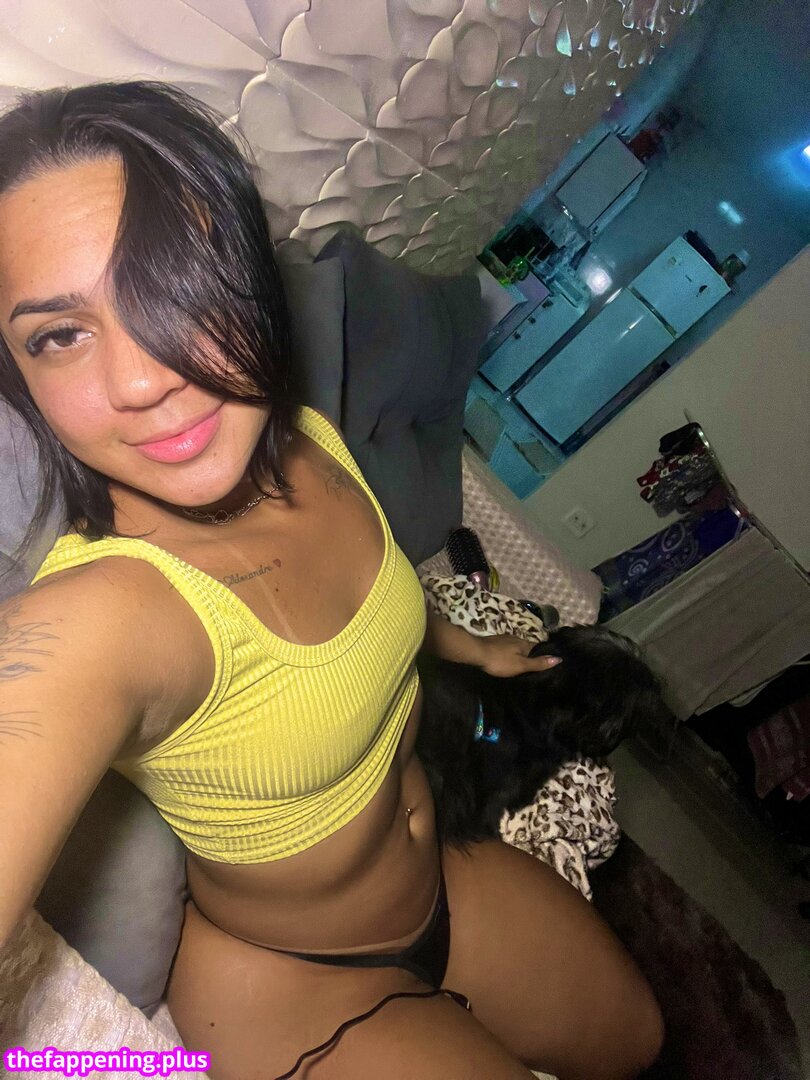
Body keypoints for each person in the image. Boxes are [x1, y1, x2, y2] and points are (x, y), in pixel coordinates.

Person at [0, 81, 663, 1080]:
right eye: (60, 335)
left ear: (249, 276)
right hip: (294, 984)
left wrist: (475, 647)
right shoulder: (105, 617)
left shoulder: (309, 439)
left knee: (640, 1038)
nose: (141, 380)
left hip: (438, 880)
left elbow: (373, 594)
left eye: (174, 283)